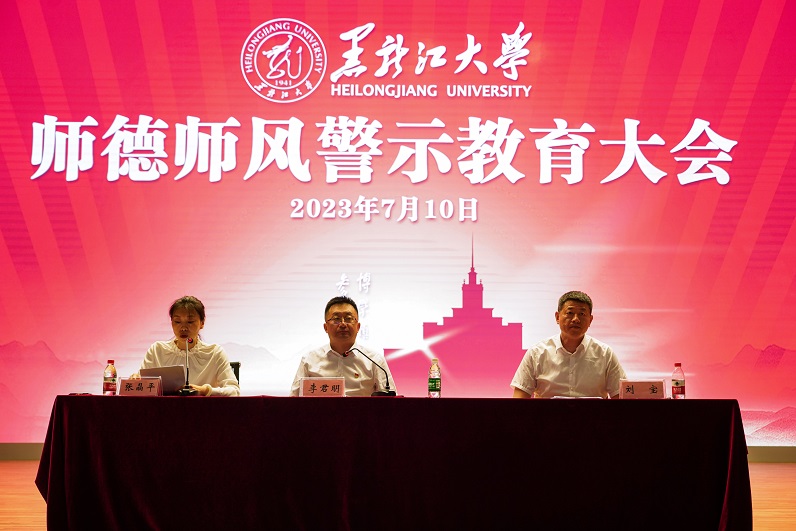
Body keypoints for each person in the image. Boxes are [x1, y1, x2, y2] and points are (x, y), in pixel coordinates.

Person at [511, 291, 626, 399]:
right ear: (557, 317)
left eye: (582, 314)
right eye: (570, 313)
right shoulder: (537, 353)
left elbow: (621, 398)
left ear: (590, 320)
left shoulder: (605, 354)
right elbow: (519, 400)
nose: (576, 319)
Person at [290, 296, 396, 397]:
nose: (343, 324)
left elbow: (391, 403)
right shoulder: (309, 360)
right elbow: (294, 400)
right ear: (326, 327)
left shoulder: (375, 360)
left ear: (358, 327)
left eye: (348, 318)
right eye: (336, 319)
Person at [134, 296, 240, 396]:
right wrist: (135, 381)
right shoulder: (157, 350)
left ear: (202, 323)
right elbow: (142, 387)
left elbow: (234, 391)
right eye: (177, 322)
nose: (183, 328)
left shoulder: (215, 353)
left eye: (190, 322)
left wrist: (205, 390)